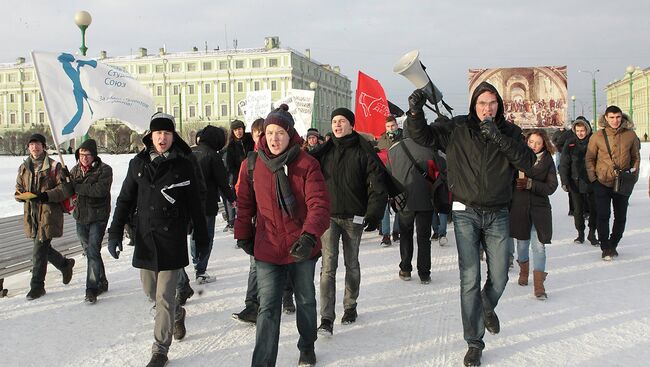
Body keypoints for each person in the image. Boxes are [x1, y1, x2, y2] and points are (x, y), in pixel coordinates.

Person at [406, 82, 535, 367]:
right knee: (469, 278)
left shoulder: (510, 132)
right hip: (465, 212)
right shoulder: (458, 128)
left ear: (498, 105)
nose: (486, 108)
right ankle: (474, 343)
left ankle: (486, 304)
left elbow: (529, 161)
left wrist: (499, 137)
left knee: (500, 275)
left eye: (491, 103)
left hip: (498, 211)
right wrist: (415, 112)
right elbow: (422, 136)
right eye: (481, 103)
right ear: (473, 105)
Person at [107, 112, 209, 367]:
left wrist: (202, 233)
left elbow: (196, 202)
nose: (162, 138)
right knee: (150, 291)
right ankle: (177, 312)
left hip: (171, 238)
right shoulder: (137, 165)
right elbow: (124, 200)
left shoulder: (184, 164)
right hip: (145, 237)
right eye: (157, 133)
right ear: (150, 137)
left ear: (173, 136)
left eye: (166, 133)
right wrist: (115, 231)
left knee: (163, 295)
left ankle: (160, 349)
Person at [234, 104, 330, 367]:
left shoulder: (306, 164)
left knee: (306, 300)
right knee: (268, 307)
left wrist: (309, 236)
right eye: (270, 132)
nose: (274, 138)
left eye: (280, 133)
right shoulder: (251, 164)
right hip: (268, 246)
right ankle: (263, 362)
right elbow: (244, 204)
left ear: (290, 134)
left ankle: (307, 345)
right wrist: (242, 233)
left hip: (302, 246)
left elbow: (319, 204)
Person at [310, 107, 387, 335]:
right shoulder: (323, 151)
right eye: (334, 121)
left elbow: (377, 184)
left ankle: (350, 306)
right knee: (327, 267)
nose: (337, 125)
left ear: (351, 124)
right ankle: (326, 317)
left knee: (351, 264)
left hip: (355, 217)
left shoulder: (363, 151)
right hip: (329, 216)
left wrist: (374, 213)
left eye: (342, 121)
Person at [15, 133, 75, 300]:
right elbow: (19, 187)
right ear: (28, 147)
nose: (35, 147)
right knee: (42, 248)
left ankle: (37, 286)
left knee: (38, 251)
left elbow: (65, 190)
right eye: (32, 144)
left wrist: (45, 196)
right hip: (32, 215)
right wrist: (20, 195)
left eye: (38, 144)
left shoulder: (54, 166)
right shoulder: (24, 167)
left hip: (48, 215)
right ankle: (65, 264)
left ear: (43, 146)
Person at [585, 105, 640, 261]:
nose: (615, 120)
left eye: (618, 117)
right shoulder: (597, 136)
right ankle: (605, 246)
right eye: (612, 117)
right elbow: (589, 158)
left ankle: (613, 243)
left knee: (620, 216)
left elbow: (636, 157)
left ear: (622, 118)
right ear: (606, 118)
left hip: (623, 182)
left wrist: (633, 176)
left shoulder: (630, 135)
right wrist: (593, 179)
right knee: (603, 215)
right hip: (602, 181)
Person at [510, 130, 558, 300]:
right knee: (522, 244)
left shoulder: (547, 161)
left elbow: (551, 187)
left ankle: (539, 285)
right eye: (531, 142)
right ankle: (524, 271)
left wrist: (530, 183)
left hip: (540, 210)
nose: (534, 146)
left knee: (539, 246)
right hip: (520, 208)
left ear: (544, 144)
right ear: (526, 142)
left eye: (538, 143)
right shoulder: (518, 158)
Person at [387, 133, 436, 283]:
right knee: (423, 237)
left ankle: (406, 269)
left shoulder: (393, 150)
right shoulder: (428, 149)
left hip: (404, 200)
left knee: (406, 235)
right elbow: (435, 173)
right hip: (425, 199)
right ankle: (424, 273)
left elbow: (389, 174)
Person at [189, 125, 234, 283]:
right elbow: (222, 182)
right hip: (207, 203)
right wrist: (232, 199)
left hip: (190, 202)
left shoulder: (190, 151)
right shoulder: (213, 156)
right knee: (207, 237)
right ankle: (201, 270)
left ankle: (195, 261)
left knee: (195, 235)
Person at [69, 138, 112, 304]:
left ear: (94, 156)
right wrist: (66, 183)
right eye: (81, 154)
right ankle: (102, 280)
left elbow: (100, 190)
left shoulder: (104, 170)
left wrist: (77, 187)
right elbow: (67, 191)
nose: (84, 158)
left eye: (87, 155)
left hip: (98, 217)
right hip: (81, 216)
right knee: (90, 252)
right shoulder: (74, 171)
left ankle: (91, 288)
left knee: (93, 251)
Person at [559, 118, 599, 246]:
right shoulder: (570, 143)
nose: (580, 133)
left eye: (582, 130)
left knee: (594, 209)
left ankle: (592, 233)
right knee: (578, 210)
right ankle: (580, 233)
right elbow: (564, 164)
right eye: (577, 131)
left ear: (587, 130)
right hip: (575, 182)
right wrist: (564, 181)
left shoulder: (594, 141)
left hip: (592, 182)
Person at [376, 115, 403, 246]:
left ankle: (397, 230)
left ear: (397, 125)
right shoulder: (381, 140)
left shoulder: (404, 138)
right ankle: (386, 234)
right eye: (388, 126)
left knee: (399, 205)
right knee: (385, 206)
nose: (390, 128)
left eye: (392, 126)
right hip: (385, 176)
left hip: (400, 176)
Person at [224, 119, 255, 231]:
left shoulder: (250, 140)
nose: (238, 132)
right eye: (236, 130)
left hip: (253, 174)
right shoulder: (231, 146)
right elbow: (230, 166)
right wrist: (237, 177)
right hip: (239, 177)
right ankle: (239, 225)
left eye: (240, 129)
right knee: (242, 202)